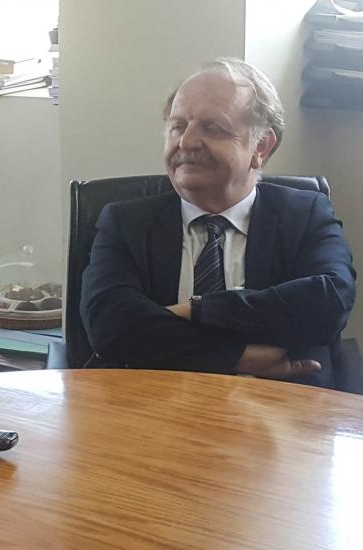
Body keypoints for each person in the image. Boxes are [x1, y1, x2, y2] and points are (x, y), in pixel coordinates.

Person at [80, 57, 356, 387]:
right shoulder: (126, 222)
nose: (186, 142)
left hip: (280, 405)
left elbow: (329, 302)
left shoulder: (305, 214)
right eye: (177, 126)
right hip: (154, 402)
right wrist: (237, 356)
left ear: (261, 146)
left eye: (212, 128)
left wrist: (198, 309)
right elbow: (110, 324)